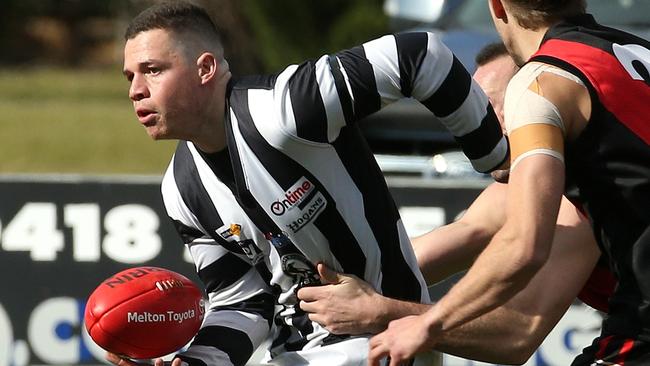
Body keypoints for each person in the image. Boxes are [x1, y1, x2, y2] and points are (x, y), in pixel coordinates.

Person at [111, 2, 509, 366]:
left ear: (205, 69)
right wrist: (199, 361)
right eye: (130, 76)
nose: (135, 91)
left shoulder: (284, 108)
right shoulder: (180, 190)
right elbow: (243, 302)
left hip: (382, 342)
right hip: (296, 355)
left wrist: (495, 156)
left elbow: (420, 55)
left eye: (153, 70)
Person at [367, 1, 650, 365]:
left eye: (492, 108)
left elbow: (516, 326)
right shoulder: (625, 55)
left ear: (497, 6)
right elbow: (460, 236)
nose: (483, 127)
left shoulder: (542, 81)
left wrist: (409, 320)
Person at [297, 42, 615, 364]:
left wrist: (377, 311)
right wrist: (305, 279)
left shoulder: (581, 194)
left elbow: (515, 334)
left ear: (534, 106)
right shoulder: (525, 182)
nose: (474, 124)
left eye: (488, 108)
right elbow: (419, 255)